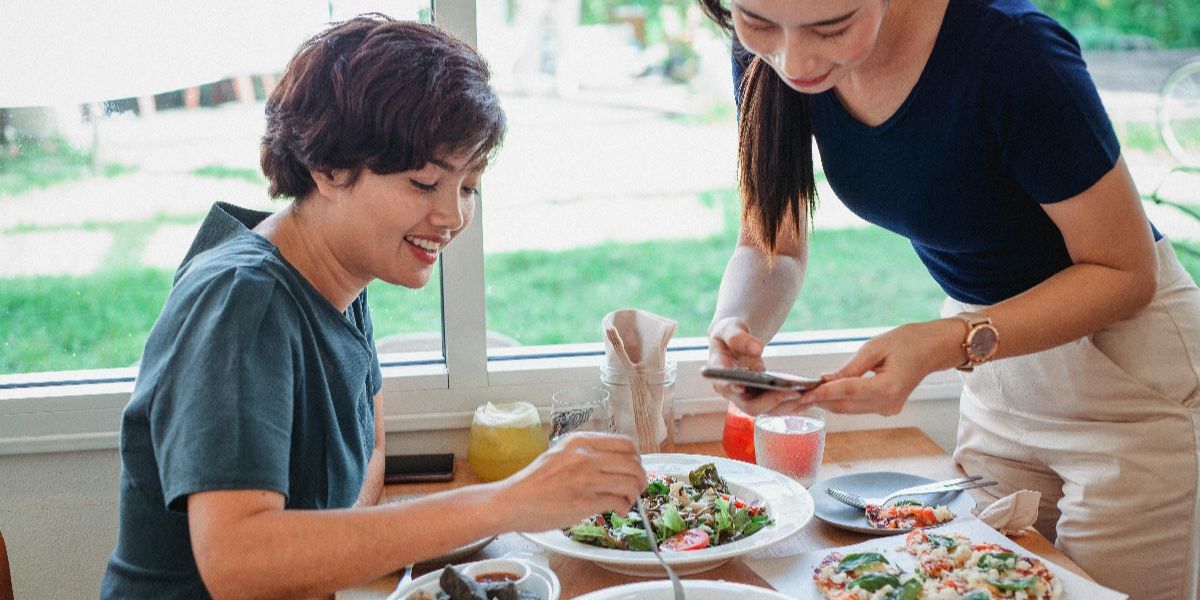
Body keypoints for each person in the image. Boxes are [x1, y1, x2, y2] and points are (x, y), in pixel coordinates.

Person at [100, 15, 645, 599]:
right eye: (423, 183)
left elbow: (372, 451)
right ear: (329, 167)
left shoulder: (338, 273)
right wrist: (508, 501)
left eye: (468, 187)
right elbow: (236, 561)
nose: (454, 217)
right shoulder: (243, 302)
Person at [696, 0, 1200, 597]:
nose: (793, 58)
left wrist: (947, 342)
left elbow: (1124, 271)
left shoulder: (1014, 51)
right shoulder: (771, 47)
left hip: (1127, 380)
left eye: (831, 28)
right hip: (994, 370)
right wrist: (737, 323)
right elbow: (771, 245)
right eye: (756, 22)